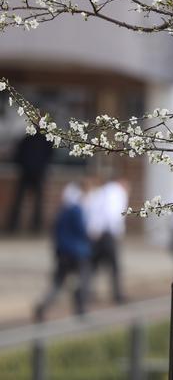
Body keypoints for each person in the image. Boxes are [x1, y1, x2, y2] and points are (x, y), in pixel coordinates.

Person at [34, 182, 91, 321]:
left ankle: (44, 305)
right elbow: (82, 230)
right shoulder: (76, 210)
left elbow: (54, 233)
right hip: (77, 253)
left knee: (58, 283)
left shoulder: (61, 211)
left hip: (62, 253)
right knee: (80, 281)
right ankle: (80, 310)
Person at [84, 176, 129, 304]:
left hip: (97, 234)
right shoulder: (117, 193)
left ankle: (87, 292)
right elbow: (113, 214)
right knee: (114, 266)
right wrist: (117, 232)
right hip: (108, 234)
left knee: (94, 265)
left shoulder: (102, 191)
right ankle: (117, 295)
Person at [6, 132, 54, 234]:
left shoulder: (31, 139)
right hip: (32, 172)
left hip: (31, 172)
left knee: (29, 201)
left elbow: (18, 154)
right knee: (28, 201)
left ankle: (18, 226)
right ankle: (31, 226)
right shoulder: (36, 139)